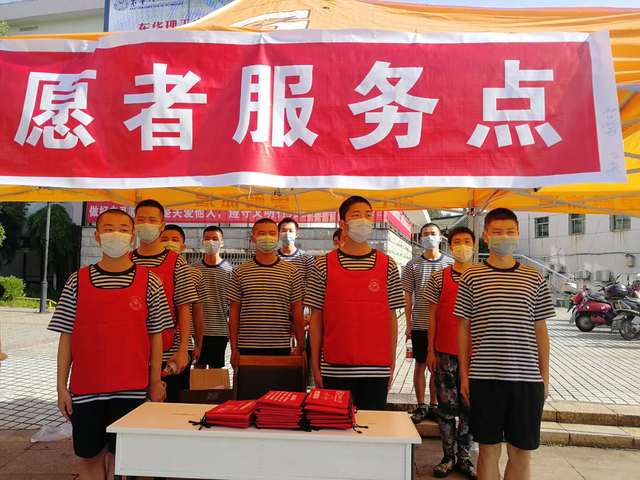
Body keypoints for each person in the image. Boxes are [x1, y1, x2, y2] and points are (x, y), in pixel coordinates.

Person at [48, 208, 171, 480]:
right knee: (89, 459)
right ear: (97, 236)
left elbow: (156, 336)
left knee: (124, 461)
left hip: (132, 390)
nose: (116, 234)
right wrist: (61, 387)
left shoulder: (150, 282)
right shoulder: (76, 281)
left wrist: (155, 382)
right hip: (86, 390)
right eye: (108, 228)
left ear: (132, 237)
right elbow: (66, 337)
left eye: (123, 229)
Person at [455, 208, 554, 480]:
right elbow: (463, 328)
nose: (504, 237)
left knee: (521, 452)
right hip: (484, 378)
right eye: (497, 232)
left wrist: (544, 376)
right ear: (485, 236)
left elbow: (541, 330)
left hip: (527, 380)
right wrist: (464, 375)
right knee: (488, 451)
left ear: (518, 234)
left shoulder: (534, 277)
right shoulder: (471, 276)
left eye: (510, 231)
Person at [307, 196, 404, 411]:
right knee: (334, 425)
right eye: (357, 215)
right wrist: (315, 364)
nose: (364, 220)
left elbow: (392, 317)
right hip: (334, 367)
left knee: (373, 426)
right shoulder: (322, 265)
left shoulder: (388, 265)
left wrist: (392, 361)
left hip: (376, 368)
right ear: (342, 223)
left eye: (368, 215)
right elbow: (316, 319)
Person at [132, 199, 199, 403]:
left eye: (152, 220)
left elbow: (184, 308)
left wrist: (183, 350)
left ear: (161, 225)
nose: (146, 224)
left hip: (169, 354)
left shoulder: (176, 262)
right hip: (134, 351)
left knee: (168, 409)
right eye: (141, 219)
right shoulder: (127, 260)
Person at [424, 227, 477, 479]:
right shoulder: (438, 278)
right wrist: (431, 350)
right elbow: (432, 315)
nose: (462, 245)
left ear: (474, 246)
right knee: (446, 409)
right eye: (457, 241)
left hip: (475, 356)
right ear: (450, 246)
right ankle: (448, 456)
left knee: (470, 408)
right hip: (444, 353)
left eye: (467, 241)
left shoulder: (481, 278)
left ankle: (464, 456)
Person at [227, 218, 305, 367]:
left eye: (272, 233)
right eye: (262, 233)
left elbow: (297, 310)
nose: (267, 237)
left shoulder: (292, 272)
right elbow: (234, 311)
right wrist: (234, 348)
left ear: (278, 237)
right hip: (247, 347)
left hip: (281, 346)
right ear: (253, 238)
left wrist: (300, 345)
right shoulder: (240, 272)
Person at [402, 222, 453, 423]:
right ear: (420, 238)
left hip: (442, 326)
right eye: (425, 234)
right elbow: (407, 296)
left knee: (437, 367)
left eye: (433, 233)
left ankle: (434, 404)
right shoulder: (412, 265)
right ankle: (421, 405)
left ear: (440, 237)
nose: (429, 237)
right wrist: (408, 324)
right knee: (420, 365)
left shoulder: (449, 264)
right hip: (420, 324)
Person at [160, 224, 206, 390]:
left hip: (179, 348)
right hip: (149, 348)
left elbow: (198, 312)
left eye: (174, 239)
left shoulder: (194, 274)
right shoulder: (144, 269)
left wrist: (198, 343)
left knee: (176, 393)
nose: (169, 243)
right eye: (164, 239)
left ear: (183, 246)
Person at [193, 226, 233, 368]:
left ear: (222, 242)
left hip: (219, 331)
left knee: (216, 373)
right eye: (207, 238)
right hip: (196, 331)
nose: (211, 241)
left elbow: (232, 305)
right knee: (198, 371)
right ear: (202, 241)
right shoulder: (193, 270)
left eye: (215, 238)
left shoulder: (229, 270)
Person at [277, 217, 315, 287]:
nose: (287, 234)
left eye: (290, 231)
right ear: (278, 233)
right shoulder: (273, 257)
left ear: (297, 234)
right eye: (283, 230)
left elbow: (312, 285)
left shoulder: (306, 259)